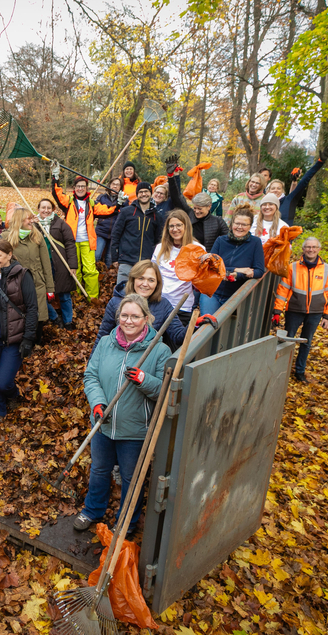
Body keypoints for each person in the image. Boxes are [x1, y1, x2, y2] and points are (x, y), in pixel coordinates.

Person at [74, 293, 171, 534]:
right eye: (124, 316)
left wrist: (144, 379)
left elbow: (164, 392)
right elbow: (91, 376)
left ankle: (125, 521)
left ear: (147, 318)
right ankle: (91, 511)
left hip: (135, 430)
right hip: (103, 424)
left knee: (131, 478)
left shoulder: (159, 351)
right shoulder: (106, 343)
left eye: (135, 316)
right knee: (98, 470)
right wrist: (97, 404)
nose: (129, 321)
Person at [0, 239, 38, 422]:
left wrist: (28, 338)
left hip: (14, 339)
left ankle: (14, 394)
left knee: (4, 381)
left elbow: (32, 309)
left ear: (9, 255)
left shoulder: (22, 275)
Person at [273, 237, 328, 383]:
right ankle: (282, 369)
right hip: (294, 309)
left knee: (306, 342)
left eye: (314, 247)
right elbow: (283, 289)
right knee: (287, 339)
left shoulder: (327, 269)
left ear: (319, 249)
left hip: (315, 312)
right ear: (303, 249)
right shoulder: (292, 267)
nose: (311, 249)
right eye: (308, 247)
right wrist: (277, 310)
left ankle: (300, 371)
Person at [95, 260, 187, 351]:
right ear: (133, 279)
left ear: (157, 284)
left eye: (151, 280)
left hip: (148, 359)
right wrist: (92, 363)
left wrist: (195, 325)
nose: (145, 284)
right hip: (119, 356)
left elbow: (178, 336)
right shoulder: (116, 302)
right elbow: (103, 336)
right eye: (141, 278)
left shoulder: (163, 305)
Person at [52, 174, 117, 299]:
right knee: (73, 269)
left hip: (88, 241)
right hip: (71, 242)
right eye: (78, 186)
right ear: (74, 188)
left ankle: (92, 298)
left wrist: (118, 203)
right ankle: (75, 295)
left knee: (90, 270)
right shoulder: (69, 202)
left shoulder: (92, 204)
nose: (80, 188)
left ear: (87, 189)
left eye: (83, 186)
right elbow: (57, 193)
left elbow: (108, 210)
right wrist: (55, 177)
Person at [199, 205, 265, 315]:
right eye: (237, 223)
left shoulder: (255, 243)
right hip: (213, 292)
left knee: (225, 330)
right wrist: (238, 269)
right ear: (232, 223)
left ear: (250, 226)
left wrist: (238, 275)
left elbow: (259, 271)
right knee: (208, 326)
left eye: (244, 224)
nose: (239, 227)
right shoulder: (221, 240)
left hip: (234, 296)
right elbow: (211, 265)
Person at [151, 210, 204, 327]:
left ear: (186, 226)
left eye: (179, 225)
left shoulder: (197, 249)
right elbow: (152, 274)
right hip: (159, 303)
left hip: (182, 306)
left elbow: (202, 281)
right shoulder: (160, 248)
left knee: (175, 342)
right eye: (171, 226)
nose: (175, 229)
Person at [5, 207, 55, 325]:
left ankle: (36, 342)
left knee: (38, 320)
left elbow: (46, 264)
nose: (32, 221)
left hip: (37, 285)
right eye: (29, 219)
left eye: (32, 218)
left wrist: (50, 288)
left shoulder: (37, 237)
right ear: (19, 220)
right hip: (16, 287)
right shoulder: (6, 238)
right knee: (19, 320)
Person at [36, 197, 79, 329]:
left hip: (60, 264)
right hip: (42, 265)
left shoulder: (60, 224)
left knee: (64, 293)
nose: (46, 210)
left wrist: (72, 265)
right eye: (43, 207)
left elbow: (70, 244)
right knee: (40, 294)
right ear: (38, 209)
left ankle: (68, 321)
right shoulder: (34, 225)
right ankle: (55, 317)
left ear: (53, 209)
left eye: (49, 208)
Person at [110, 181, 164, 285]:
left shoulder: (157, 216)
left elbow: (159, 240)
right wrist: (115, 257)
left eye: (146, 191)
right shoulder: (127, 212)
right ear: (137, 194)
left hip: (146, 264)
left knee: (141, 296)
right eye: (141, 192)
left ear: (151, 193)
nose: (144, 194)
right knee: (122, 295)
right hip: (126, 261)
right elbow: (116, 234)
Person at [267, 147, 328, 225]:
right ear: (268, 191)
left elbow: (304, 181)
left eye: (278, 188)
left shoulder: (289, 200)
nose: (275, 190)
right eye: (273, 188)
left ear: (283, 191)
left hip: (285, 235)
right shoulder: (264, 204)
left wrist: (319, 162)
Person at [94, 177, 123, 269]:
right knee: (96, 255)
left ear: (120, 187)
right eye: (113, 184)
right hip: (101, 231)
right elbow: (97, 212)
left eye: (117, 184)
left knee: (109, 259)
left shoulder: (124, 201)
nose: (115, 186)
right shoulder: (101, 198)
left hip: (115, 234)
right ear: (109, 185)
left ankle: (106, 278)